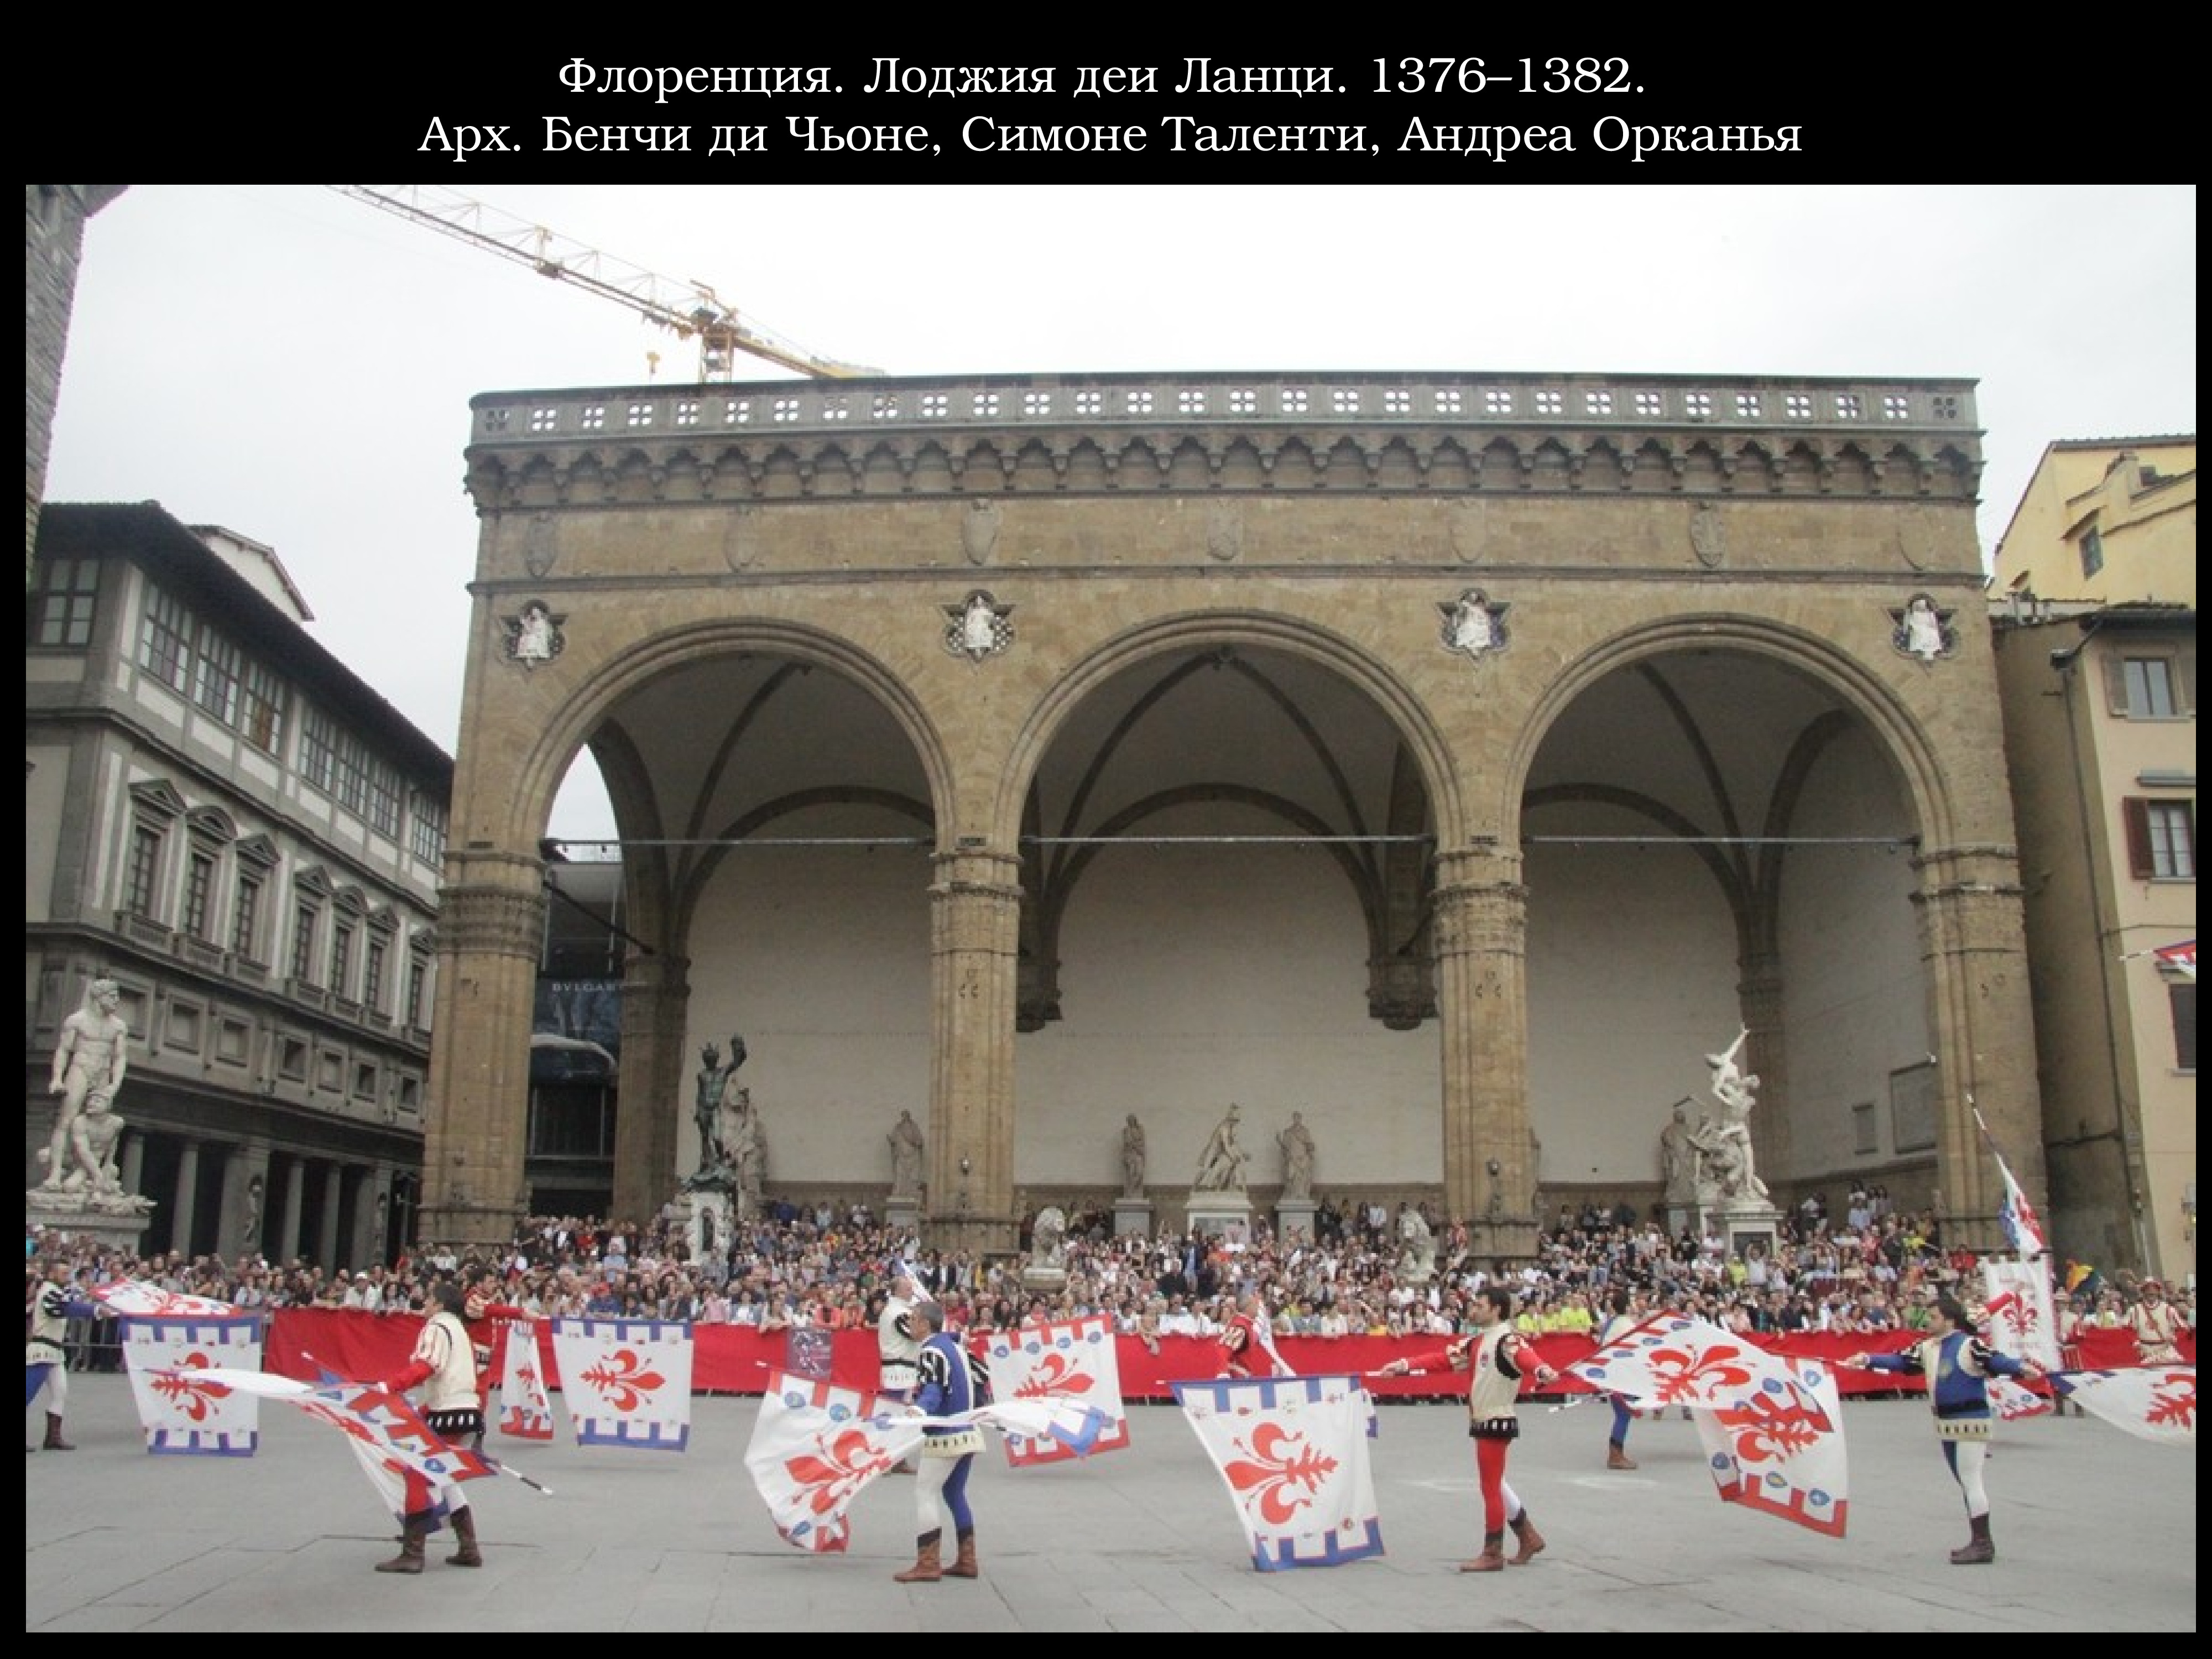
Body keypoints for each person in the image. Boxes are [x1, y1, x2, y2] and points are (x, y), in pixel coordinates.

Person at [1843, 1293, 2041, 1565]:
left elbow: (1994, 1360)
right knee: (1965, 1481)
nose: (1929, 1322)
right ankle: (1980, 1539)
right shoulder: (1927, 1347)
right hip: (1946, 1423)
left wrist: (2019, 1367)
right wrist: (1867, 1359)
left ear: (1949, 1319)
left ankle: (1982, 1543)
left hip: (1969, 1420)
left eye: (1934, 1318)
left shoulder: (1968, 1345)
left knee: (1971, 1481)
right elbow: (1901, 1362)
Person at [1381, 1285, 1560, 1572]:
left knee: (1490, 1486)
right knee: (1496, 1482)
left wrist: (1542, 1370)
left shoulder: (1506, 1340)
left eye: (1480, 1304)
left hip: (1495, 1418)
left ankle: (1493, 1552)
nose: (1473, 1308)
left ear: (1496, 1309)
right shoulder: (1477, 1342)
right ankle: (1527, 1535)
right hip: (1488, 1418)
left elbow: (1527, 1357)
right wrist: (1404, 1365)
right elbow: (1442, 1359)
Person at [375, 1277, 488, 1574]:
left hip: (449, 1411)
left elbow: (428, 1366)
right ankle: (469, 1548)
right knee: (445, 1476)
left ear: (439, 1304)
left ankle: (413, 1553)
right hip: (466, 1409)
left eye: (428, 1298)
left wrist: (389, 1387)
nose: (424, 1303)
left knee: (416, 1470)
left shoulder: (437, 1327)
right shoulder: (461, 1331)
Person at [894, 1300, 983, 1583]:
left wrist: (920, 1409)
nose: (910, 1324)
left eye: (914, 1319)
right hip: (969, 1429)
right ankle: (967, 1559)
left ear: (925, 1323)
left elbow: (933, 1389)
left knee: (926, 1492)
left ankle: (928, 1562)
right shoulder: (953, 1346)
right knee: (954, 1493)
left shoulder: (932, 1351)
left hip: (947, 1435)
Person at [43, 978, 128, 1191]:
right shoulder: (77, 1020)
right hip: (80, 1067)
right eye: (112, 996)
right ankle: (55, 1173)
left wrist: (115, 1084)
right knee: (67, 1119)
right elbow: (63, 1050)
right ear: (99, 997)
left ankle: (89, 1173)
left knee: (100, 1120)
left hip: (103, 1071)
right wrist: (57, 1078)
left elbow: (120, 1057)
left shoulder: (118, 1026)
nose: (116, 1001)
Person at [27, 1258, 106, 1452]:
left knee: (60, 1392)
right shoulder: (48, 1292)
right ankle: (52, 1437)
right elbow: (64, 1309)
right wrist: (95, 1310)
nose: (67, 1277)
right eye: (63, 1274)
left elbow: (68, 1303)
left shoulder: (57, 1292)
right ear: (52, 1274)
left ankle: (53, 1437)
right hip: (42, 1349)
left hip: (54, 1350)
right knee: (28, 1392)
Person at [1597, 1287, 1644, 1470]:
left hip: (1611, 1374)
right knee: (1624, 1415)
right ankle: (1615, 1455)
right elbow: (1636, 1347)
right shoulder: (1625, 1324)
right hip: (1619, 1376)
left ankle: (1616, 1452)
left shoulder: (1612, 1323)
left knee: (1622, 1414)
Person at [1217, 1290, 1284, 1379]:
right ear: (1248, 1308)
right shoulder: (1240, 1327)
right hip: (1237, 1380)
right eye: (1256, 1305)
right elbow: (1223, 1349)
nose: (1258, 1308)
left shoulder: (1246, 1326)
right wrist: (1223, 1373)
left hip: (1242, 1378)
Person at [1192, 1103, 1248, 1192]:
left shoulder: (1232, 1128)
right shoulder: (1224, 1127)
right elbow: (1226, 1145)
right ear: (1230, 1118)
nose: (1237, 1122)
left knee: (1229, 1166)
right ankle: (1194, 1189)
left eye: (1237, 1120)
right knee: (1206, 1169)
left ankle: (1225, 1188)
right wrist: (1233, 1156)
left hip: (1222, 1151)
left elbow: (1234, 1142)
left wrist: (1242, 1153)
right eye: (1235, 1120)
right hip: (1213, 1151)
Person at [1278, 1112, 1316, 1201]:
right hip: (1292, 1157)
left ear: (1301, 1119)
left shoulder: (1305, 1131)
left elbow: (1309, 1144)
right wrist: (1279, 1141)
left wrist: (1310, 1152)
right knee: (1291, 1176)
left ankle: (1301, 1194)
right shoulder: (1288, 1132)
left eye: (1298, 1118)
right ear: (1293, 1119)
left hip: (1302, 1157)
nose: (1297, 1120)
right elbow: (1285, 1147)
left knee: (1302, 1177)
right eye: (1295, 1118)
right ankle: (1291, 1194)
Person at [888, 1110, 926, 1199]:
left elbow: (920, 1141)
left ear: (909, 1117)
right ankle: (899, 1191)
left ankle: (912, 1191)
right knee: (900, 1174)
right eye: (903, 1116)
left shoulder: (914, 1127)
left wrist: (916, 1143)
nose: (905, 1118)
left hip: (913, 1156)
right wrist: (891, 1141)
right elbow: (893, 1140)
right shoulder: (898, 1128)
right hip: (901, 1156)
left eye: (906, 1116)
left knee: (913, 1176)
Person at [1120, 1114, 1147, 1198]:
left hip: (1139, 1153)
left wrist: (1136, 1146)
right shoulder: (1126, 1131)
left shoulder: (1140, 1129)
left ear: (1135, 1120)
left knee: (1139, 1173)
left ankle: (1132, 1191)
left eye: (1132, 1120)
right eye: (1129, 1120)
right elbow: (1126, 1143)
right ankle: (1129, 1193)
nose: (1131, 1122)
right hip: (1130, 1154)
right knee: (1131, 1173)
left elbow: (1142, 1142)